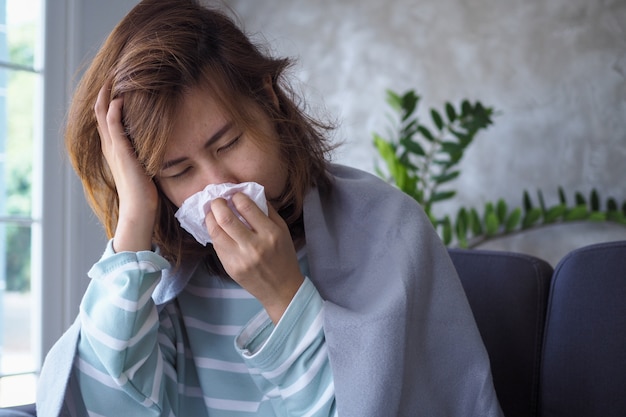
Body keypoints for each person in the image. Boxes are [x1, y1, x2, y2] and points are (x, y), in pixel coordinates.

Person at [36, 0, 504, 416]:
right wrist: (134, 219)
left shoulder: (388, 229)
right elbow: (104, 404)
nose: (218, 185)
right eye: (179, 171)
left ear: (268, 98)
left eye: (229, 141)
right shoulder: (155, 279)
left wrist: (284, 296)